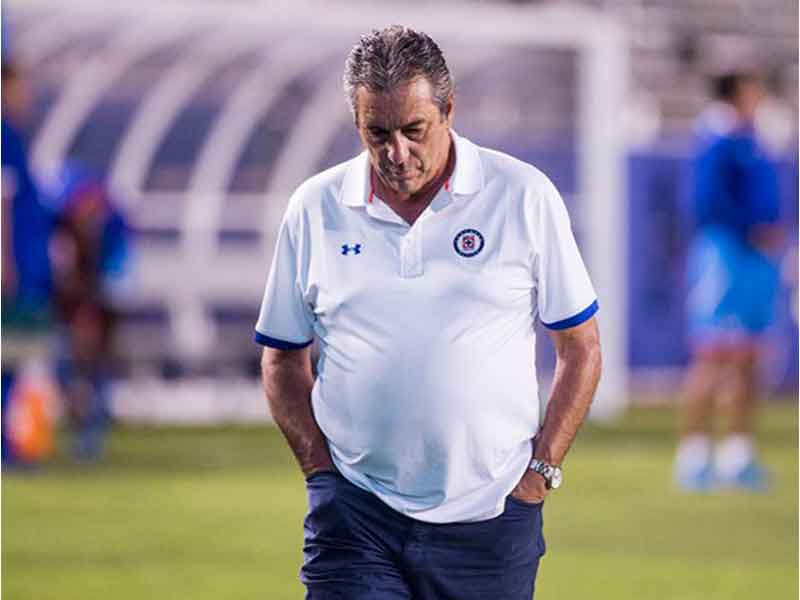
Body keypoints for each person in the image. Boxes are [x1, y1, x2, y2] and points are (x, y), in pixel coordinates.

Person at [255, 26, 602, 599]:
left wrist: (540, 475)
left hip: (492, 520)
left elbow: (581, 347)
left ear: (449, 110)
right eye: (378, 134)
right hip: (355, 516)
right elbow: (282, 357)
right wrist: (319, 471)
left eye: (414, 130)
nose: (397, 152)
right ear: (357, 123)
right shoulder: (314, 207)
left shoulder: (522, 195)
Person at [674, 72, 785, 492]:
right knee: (714, 353)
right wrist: (749, 228)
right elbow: (705, 203)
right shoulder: (715, 140)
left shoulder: (750, 140)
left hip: (755, 257)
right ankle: (693, 456)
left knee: (750, 355)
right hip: (726, 255)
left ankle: (737, 455)